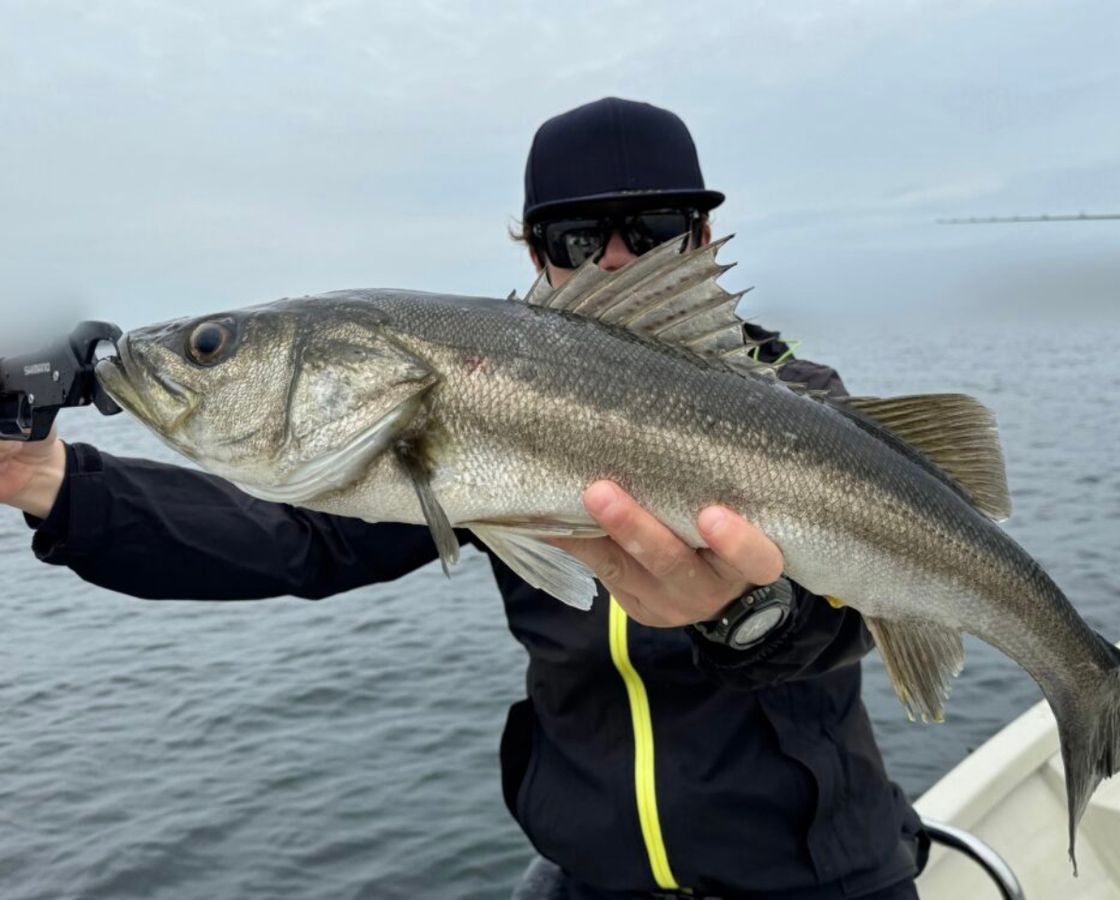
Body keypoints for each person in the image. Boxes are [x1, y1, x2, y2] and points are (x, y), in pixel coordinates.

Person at [0, 97, 926, 899]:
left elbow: (849, 617)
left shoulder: (805, 404)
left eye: (654, 230)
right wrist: (56, 485)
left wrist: (747, 614)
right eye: (575, 238)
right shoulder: (461, 399)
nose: (613, 261)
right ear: (533, 251)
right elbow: (297, 541)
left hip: (817, 875)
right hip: (595, 879)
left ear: (705, 238)